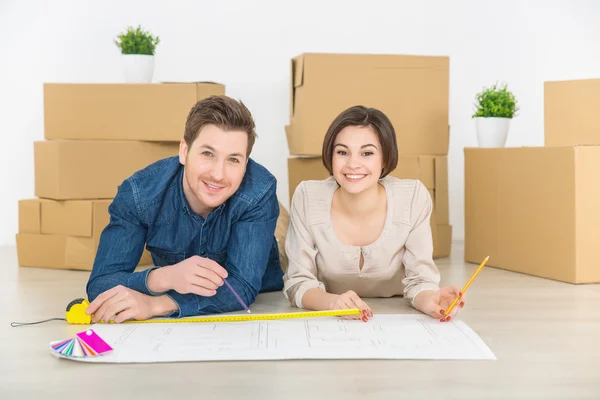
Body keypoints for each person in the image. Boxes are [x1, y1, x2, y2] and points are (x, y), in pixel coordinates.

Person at [85, 95, 284, 323]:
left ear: (245, 164)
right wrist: (164, 277)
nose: (218, 174)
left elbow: (242, 286)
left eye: (233, 160)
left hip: (266, 282)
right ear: (184, 151)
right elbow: (100, 283)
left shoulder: (259, 190)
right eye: (207, 154)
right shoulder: (139, 195)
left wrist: (155, 304)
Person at [283, 105, 464, 322]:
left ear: (385, 159)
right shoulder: (307, 196)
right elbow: (297, 282)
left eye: (367, 153)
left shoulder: (413, 198)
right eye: (342, 152)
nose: (352, 164)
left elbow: (420, 280)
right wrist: (332, 303)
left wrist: (432, 301)